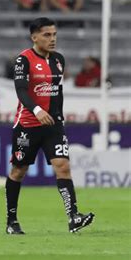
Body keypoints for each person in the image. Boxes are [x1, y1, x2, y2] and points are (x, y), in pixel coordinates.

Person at [5, 17, 94, 235]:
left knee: (63, 166)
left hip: (52, 125)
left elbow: (57, 92)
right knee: (19, 171)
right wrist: (37, 110)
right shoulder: (23, 60)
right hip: (27, 125)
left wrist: (58, 117)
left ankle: (73, 217)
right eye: (47, 35)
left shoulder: (58, 60)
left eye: (54, 35)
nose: (52, 39)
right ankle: (11, 221)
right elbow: (21, 90)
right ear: (34, 37)